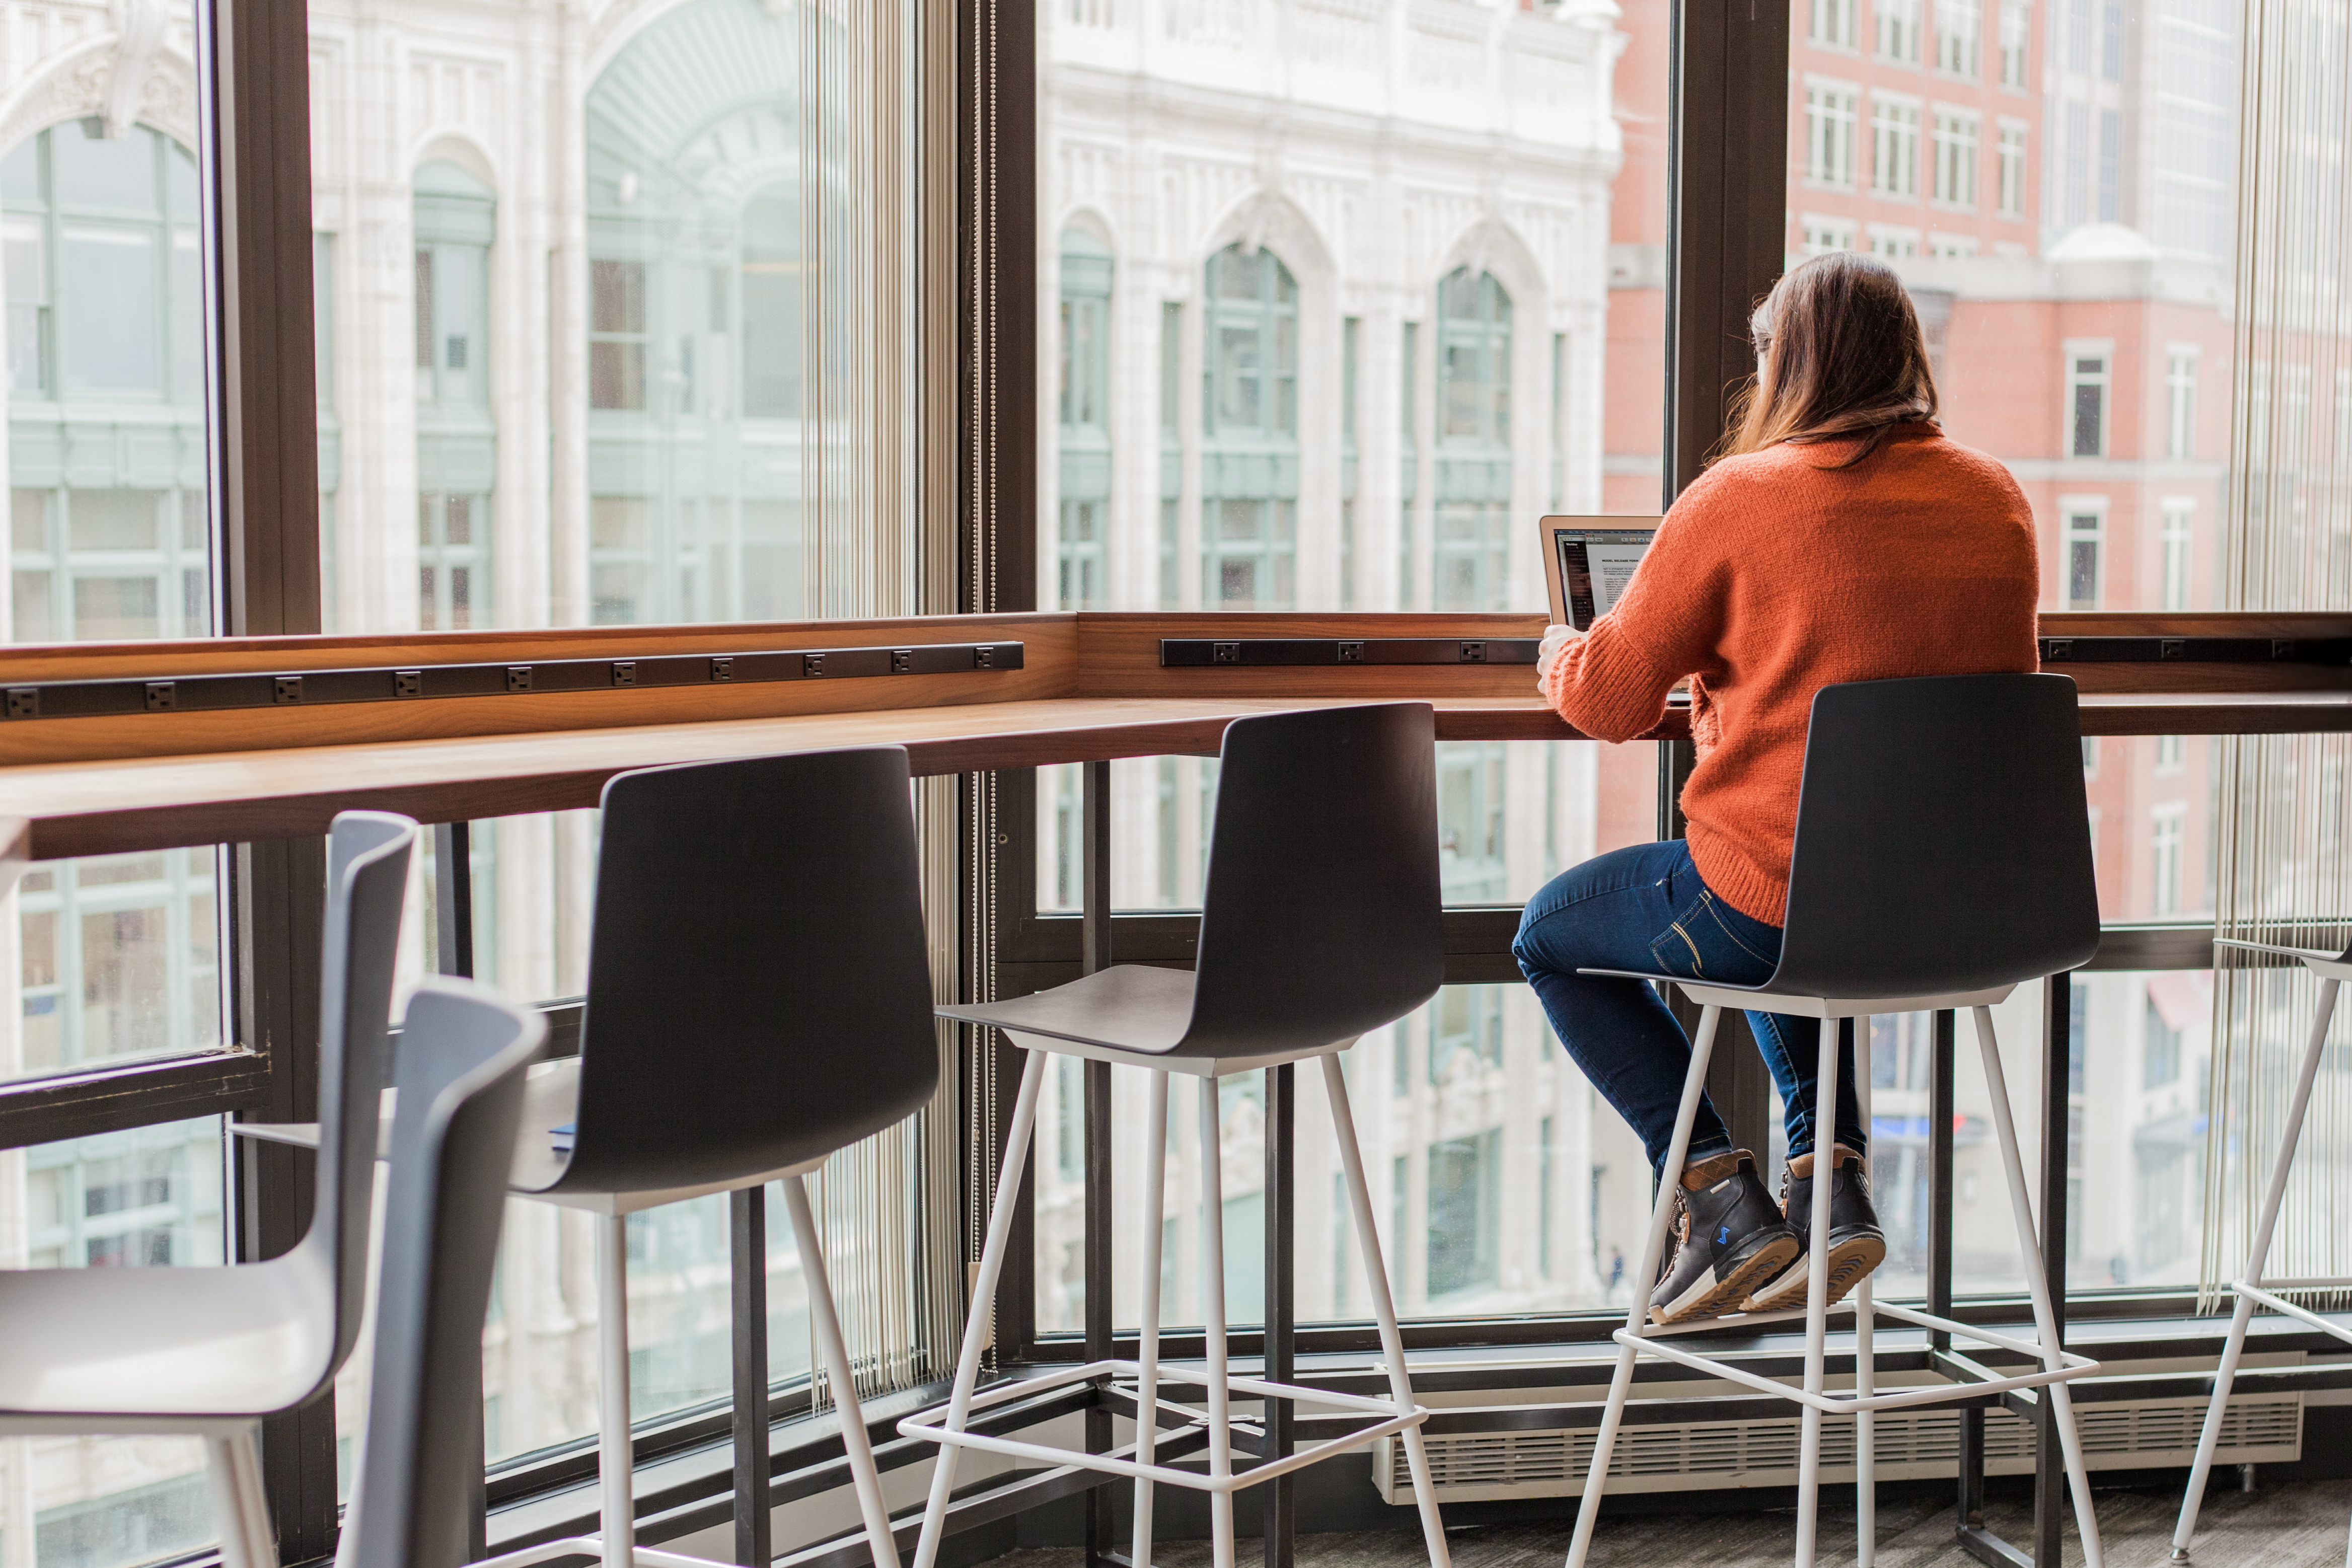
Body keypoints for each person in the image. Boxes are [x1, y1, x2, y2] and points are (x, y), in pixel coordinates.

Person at [1513, 252, 2040, 1325]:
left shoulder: (1738, 498)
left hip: (1779, 909)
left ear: (1785, 363)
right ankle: (1829, 1183)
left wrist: (1557, 649)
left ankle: (1711, 1191)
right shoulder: (1993, 497)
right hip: (1962, 912)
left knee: (1552, 933)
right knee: (1810, 896)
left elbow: (1609, 702)